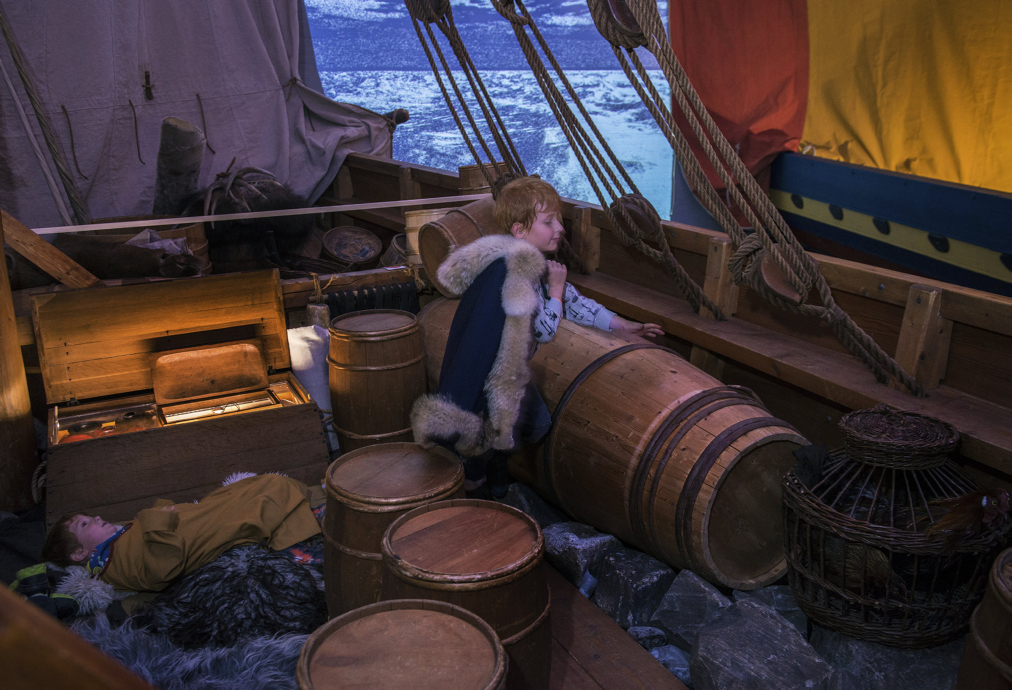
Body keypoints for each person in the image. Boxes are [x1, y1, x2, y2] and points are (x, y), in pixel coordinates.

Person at [411, 176, 662, 498]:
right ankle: (475, 485)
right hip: (489, 374)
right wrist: (555, 292)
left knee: (519, 427)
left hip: (502, 371)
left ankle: (493, 484)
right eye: (549, 221)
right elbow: (542, 329)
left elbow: (574, 301)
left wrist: (620, 325)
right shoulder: (513, 272)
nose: (560, 228)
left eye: (559, 219)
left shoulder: (529, 263)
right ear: (519, 230)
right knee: (508, 426)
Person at [40, 474, 321, 592]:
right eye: (85, 524)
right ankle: (301, 535)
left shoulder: (116, 542)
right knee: (267, 495)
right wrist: (154, 521)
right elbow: (161, 570)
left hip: (196, 519)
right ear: (79, 553)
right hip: (199, 535)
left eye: (90, 517)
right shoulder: (112, 567)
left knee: (242, 489)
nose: (97, 518)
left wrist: (150, 519)